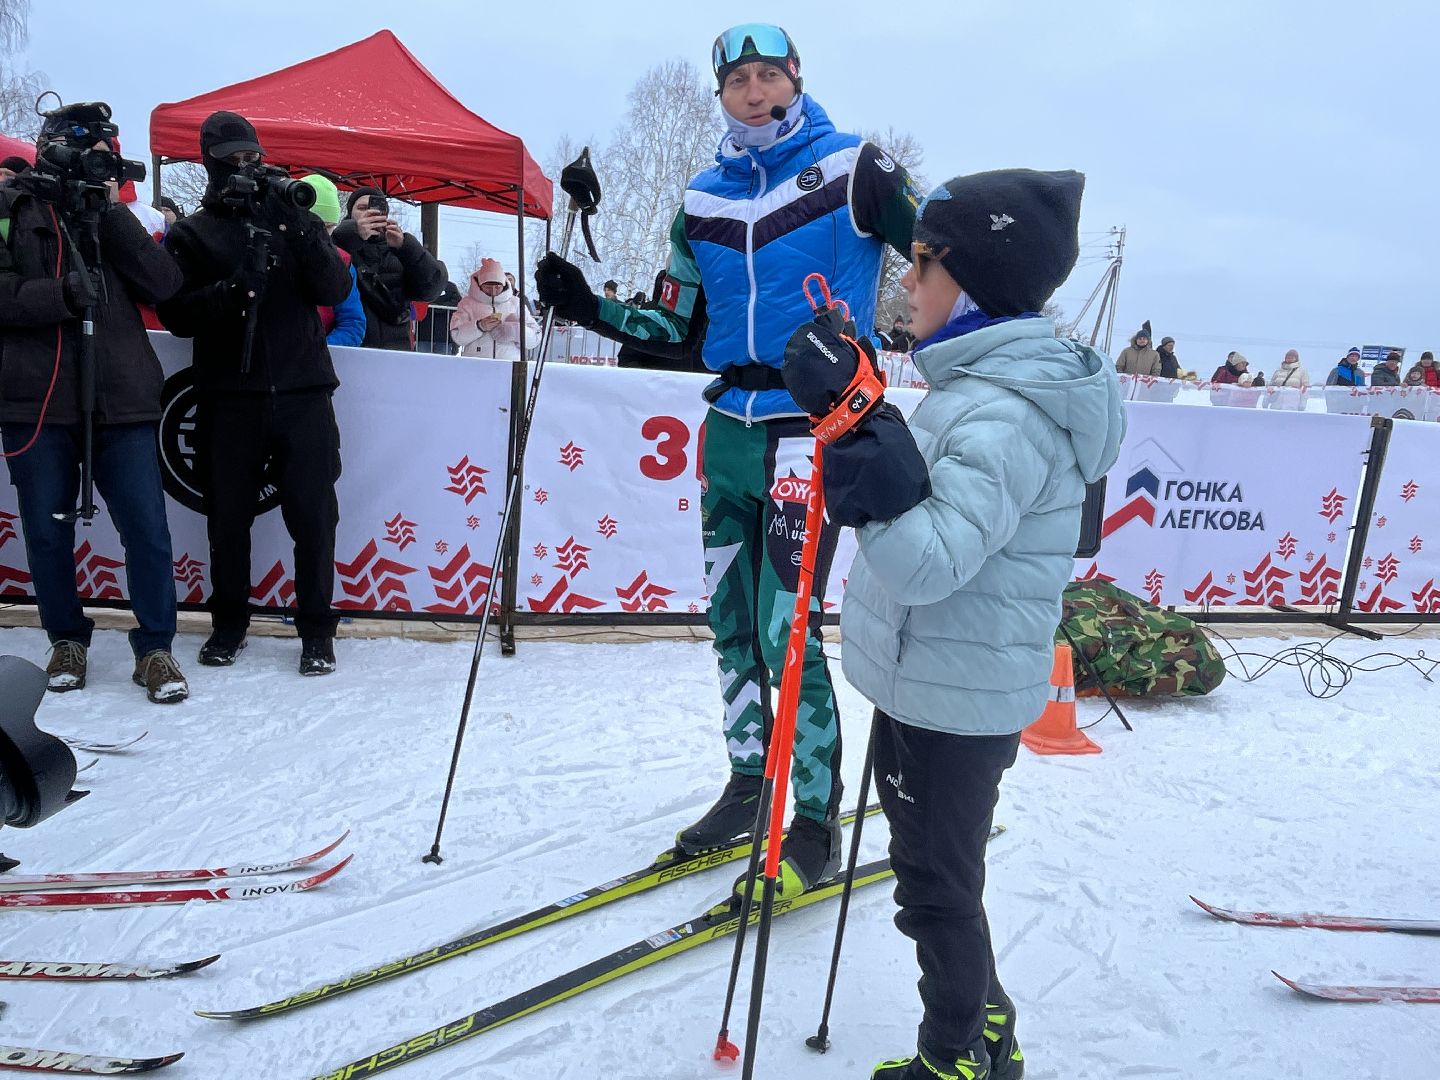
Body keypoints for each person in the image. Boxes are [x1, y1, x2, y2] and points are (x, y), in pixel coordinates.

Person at [536, 22, 922, 892]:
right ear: (720, 92)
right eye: (737, 79)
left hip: (807, 433)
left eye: (767, 74)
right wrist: (590, 306)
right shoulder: (701, 198)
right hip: (730, 433)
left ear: (795, 77)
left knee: (789, 634)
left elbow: (937, 252)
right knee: (731, 626)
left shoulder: (852, 165)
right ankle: (750, 784)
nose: (754, 91)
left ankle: (813, 820)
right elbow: (675, 326)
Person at [784, 168, 1122, 1080]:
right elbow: (933, 513)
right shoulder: (978, 386)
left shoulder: (1005, 412)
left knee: (936, 891)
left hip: (954, 696)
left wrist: (855, 426)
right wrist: (865, 416)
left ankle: (953, 1059)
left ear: (967, 281)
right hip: (934, 678)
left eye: (921, 264)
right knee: (937, 878)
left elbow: (925, 562)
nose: (906, 283)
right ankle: (989, 1033)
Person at [0, 102, 189, 703]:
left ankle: (155, 648)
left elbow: (165, 285)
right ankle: (66, 640)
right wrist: (58, 295)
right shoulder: (11, 208)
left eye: (107, 155)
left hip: (123, 397)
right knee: (46, 530)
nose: (100, 164)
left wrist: (110, 211)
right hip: (38, 397)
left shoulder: (119, 213)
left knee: (148, 530)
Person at [156, 111, 352, 676]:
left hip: (303, 390)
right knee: (227, 517)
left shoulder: (295, 212)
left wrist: (297, 226)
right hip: (230, 394)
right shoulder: (193, 232)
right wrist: (232, 290)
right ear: (211, 163)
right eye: (233, 157)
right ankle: (229, 623)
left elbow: (335, 287)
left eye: (252, 155)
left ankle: (317, 629)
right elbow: (177, 315)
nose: (246, 166)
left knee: (315, 516)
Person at [330, 187, 445, 350]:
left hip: (394, 350)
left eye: (376, 209)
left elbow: (431, 288)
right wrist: (352, 234)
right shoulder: (339, 245)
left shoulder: (399, 249)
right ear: (350, 213)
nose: (368, 213)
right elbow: (325, 271)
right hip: (350, 346)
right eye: (362, 208)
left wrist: (407, 247)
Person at [297, 174, 366, 348]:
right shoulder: (268, 254)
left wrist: (319, 351)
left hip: (317, 361)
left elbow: (352, 324)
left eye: (328, 227)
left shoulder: (342, 262)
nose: (322, 234)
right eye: (316, 225)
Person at [450, 257, 536, 360]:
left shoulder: (516, 303)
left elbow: (535, 337)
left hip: (509, 363)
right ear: (480, 284)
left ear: (504, 285)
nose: (493, 291)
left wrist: (516, 330)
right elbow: (457, 336)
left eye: (497, 287)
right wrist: (479, 326)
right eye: (488, 287)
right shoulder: (467, 303)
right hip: (476, 362)